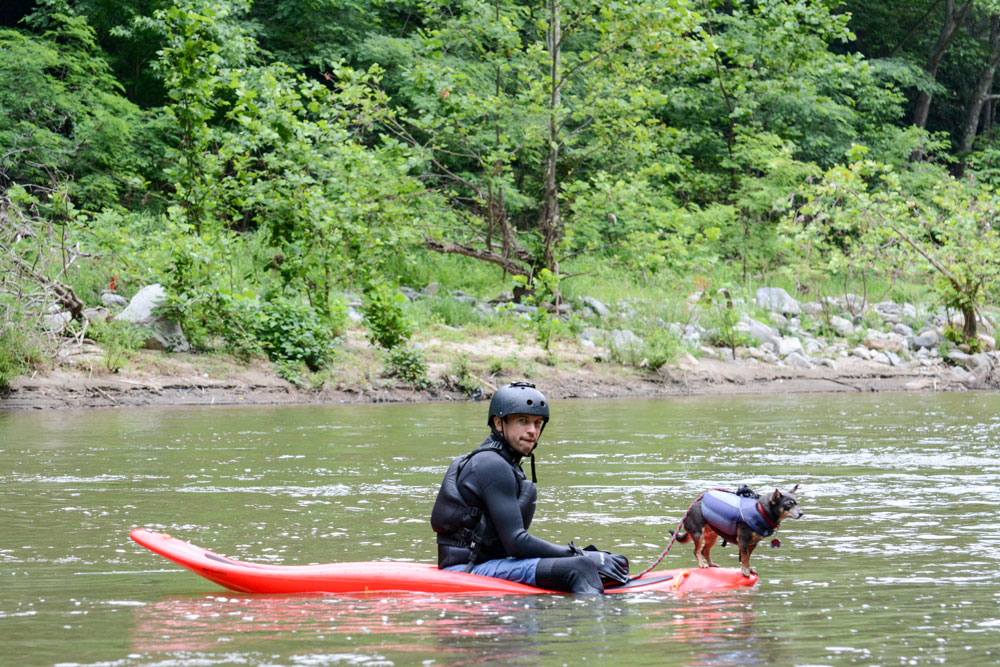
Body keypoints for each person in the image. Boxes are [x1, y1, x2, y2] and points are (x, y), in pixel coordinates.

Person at [430, 381, 629, 594]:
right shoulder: (491, 465)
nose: (532, 431)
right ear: (499, 424)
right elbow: (516, 542)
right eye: (523, 421)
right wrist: (579, 554)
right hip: (465, 571)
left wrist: (588, 557)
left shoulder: (505, 463)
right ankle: (594, 622)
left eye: (537, 423)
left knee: (612, 563)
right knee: (580, 568)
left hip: (489, 564)